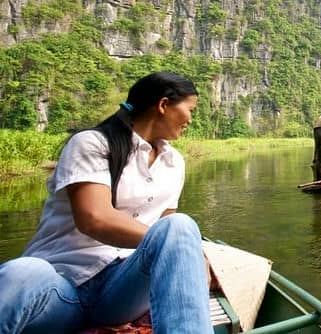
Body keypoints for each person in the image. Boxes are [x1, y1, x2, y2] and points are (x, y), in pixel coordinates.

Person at [0, 71, 213, 334]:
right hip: (61, 288)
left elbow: (167, 226)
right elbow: (94, 218)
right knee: (22, 272)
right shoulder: (92, 143)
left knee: (179, 226)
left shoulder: (174, 163)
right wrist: (174, 245)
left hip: (120, 292)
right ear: (163, 105)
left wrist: (181, 248)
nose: (191, 119)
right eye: (190, 110)